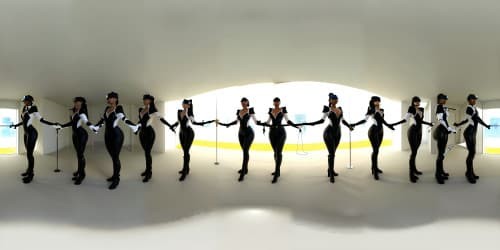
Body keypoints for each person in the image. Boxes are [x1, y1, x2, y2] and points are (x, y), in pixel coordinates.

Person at [90, 92, 140, 190]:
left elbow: (124, 119)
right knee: (113, 157)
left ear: (116, 99)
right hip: (107, 135)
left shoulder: (119, 108)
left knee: (116, 157)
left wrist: (134, 127)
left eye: (111, 98)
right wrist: (96, 127)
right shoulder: (106, 109)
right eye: (108, 98)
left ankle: (116, 179)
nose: (108, 99)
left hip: (117, 135)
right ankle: (114, 175)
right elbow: (103, 121)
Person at [301, 93, 353, 183]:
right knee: (331, 154)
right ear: (329, 100)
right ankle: (331, 175)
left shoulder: (340, 109)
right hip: (328, 133)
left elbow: (343, 120)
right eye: (333, 99)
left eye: (336, 99)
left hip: (338, 133)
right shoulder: (327, 109)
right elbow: (322, 120)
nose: (335, 100)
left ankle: (330, 170)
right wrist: (310, 123)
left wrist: (349, 126)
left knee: (333, 153)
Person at [10, 95, 60, 183]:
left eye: (26, 101)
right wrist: (15, 125)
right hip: (26, 133)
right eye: (24, 101)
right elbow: (24, 121)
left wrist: (53, 124)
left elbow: (41, 120)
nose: (25, 102)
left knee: (30, 154)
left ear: (30, 101)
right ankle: (28, 170)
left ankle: (31, 174)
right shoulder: (24, 109)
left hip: (32, 133)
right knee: (28, 154)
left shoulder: (34, 109)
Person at [257, 97, 301, 183]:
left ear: (279, 102)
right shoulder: (271, 110)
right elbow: (268, 122)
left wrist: (296, 126)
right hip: (272, 133)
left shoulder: (283, 110)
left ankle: (276, 173)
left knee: (279, 152)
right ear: (273, 103)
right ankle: (278, 170)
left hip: (281, 133)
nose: (276, 103)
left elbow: (288, 121)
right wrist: (261, 123)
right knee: (275, 152)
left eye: (278, 101)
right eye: (275, 101)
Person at [351, 96, 395, 180]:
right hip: (373, 131)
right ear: (373, 102)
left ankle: (375, 167)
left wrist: (389, 126)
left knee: (377, 150)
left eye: (378, 101)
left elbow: (382, 121)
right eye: (376, 101)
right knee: (375, 150)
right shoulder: (371, 110)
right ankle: (374, 171)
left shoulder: (382, 110)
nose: (378, 102)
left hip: (381, 131)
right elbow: (364, 120)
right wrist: (354, 124)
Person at [170, 99, 215, 181]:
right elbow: (178, 122)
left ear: (189, 106)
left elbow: (195, 123)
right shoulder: (179, 111)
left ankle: (184, 171)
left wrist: (207, 122)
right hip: (181, 133)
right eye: (183, 103)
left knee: (186, 151)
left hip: (189, 133)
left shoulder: (189, 114)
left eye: (186, 104)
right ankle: (187, 169)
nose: (184, 105)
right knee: (185, 152)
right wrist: (172, 126)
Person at [391, 96, 434, 183]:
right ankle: (411, 174)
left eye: (418, 101)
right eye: (416, 101)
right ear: (413, 102)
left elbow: (420, 121)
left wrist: (429, 123)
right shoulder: (411, 108)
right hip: (412, 131)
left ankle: (414, 170)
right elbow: (405, 120)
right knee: (413, 153)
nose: (417, 103)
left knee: (415, 152)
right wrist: (394, 124)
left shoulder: (421, 109)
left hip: (419, 131)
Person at [136, 94, 176, 182]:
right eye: (144, 99)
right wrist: (137, 128)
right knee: (146, 153)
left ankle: (149, 173)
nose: (144, 100)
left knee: (147, 152)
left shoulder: (153, 109)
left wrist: (170, 126)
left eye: (146, 99)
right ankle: (147, 170)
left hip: (149, 133)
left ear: (150, 101)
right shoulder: (141, 109)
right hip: (142, 133)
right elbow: (141, 121)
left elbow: (161, 119)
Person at [218, 97, 259, 182]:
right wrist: (227, 124)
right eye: (242, 101)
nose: (243, 103)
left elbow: (256, 122)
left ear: (247, 102)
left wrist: (265, 124)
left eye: (245, 101)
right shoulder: (239, 111)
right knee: (245, 151)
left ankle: (243, 172)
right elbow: (236, 121)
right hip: (240, 134)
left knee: (245, 151)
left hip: (249, 133)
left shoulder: (250, 110)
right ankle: (246, 169)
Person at [454, 94, 491, 184]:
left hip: (473, 132)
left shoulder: (473, 108)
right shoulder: (469, 108)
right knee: (471, 153)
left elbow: (467, 120)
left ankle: (470, 172)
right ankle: (468, 174)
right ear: (469, 100)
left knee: (472, 153)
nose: (474, 100)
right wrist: (486, 125)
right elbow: (477, 118)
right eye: (472, 99)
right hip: (469, 133)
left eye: (475, 99)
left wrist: (458, 124)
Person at [58, 97, 93, 185]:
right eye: (75, 103)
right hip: (75, 135)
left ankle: (82, 174)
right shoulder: (74, 112)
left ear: (82, 105)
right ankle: (79, 171)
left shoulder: (83, 113)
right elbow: (71, 123)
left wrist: (93, 127)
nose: (76, 105)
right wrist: (61, 126)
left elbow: (86, 121)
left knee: (81, 155)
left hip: (82, 135)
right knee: (78, 154)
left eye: (79, 104)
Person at [433, 93, 456, 184]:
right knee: (440, 154)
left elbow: (445, 119)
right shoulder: (439, 107)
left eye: (445, 99)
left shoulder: (442, 107)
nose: (445, 100)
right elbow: (441, 120)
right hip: (441, 131)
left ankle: (441, 171)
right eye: (443, 99)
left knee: (442, 153)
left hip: (444, 131)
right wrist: (449, 128)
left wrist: (445, 110)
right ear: (439, 99)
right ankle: (437, 175)